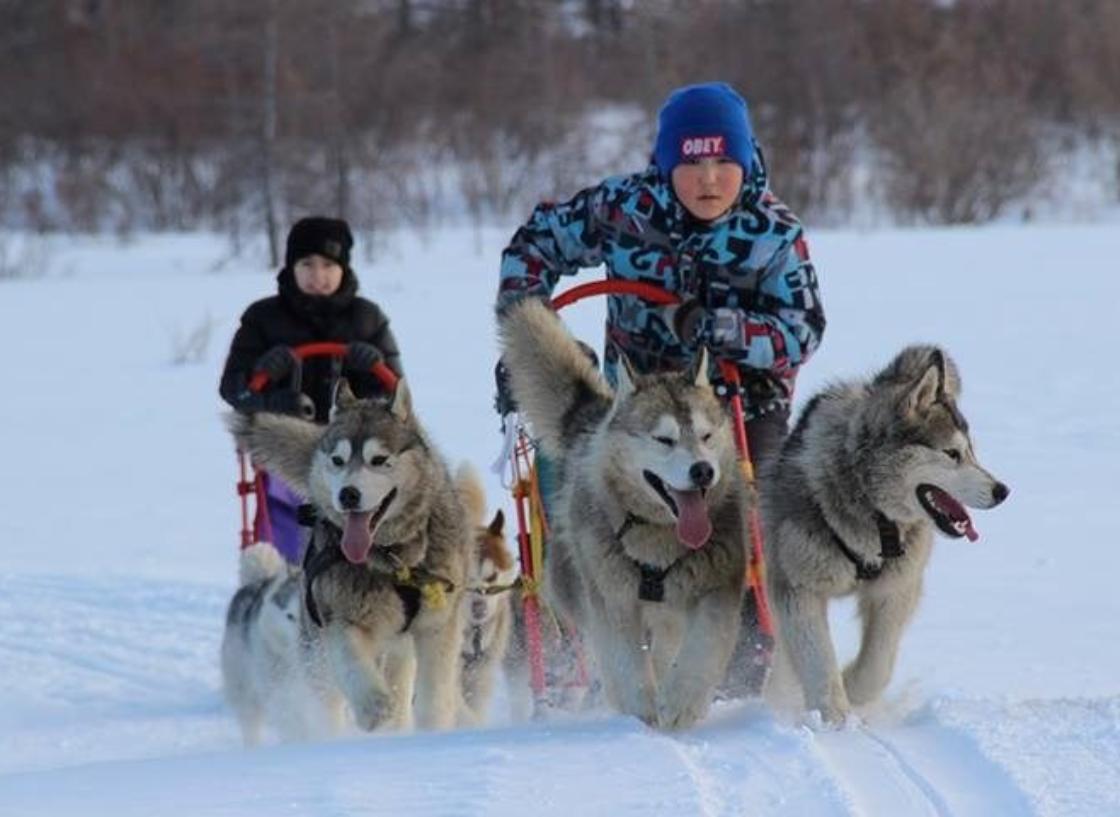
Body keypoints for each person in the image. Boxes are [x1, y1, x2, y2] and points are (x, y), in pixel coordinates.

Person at [494, 81, 825, 695]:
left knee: (752, 518)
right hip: (636, 408)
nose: (708, 178)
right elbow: (535, 245)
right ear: (666, 163)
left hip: (738, 408)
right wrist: (532, 336)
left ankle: (749, 650)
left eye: (724, 161)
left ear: (746, 162)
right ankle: (589, 638)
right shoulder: (624, 207)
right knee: (576, 493)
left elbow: (802, 330)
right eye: (692, 162)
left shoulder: (774, 232)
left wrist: (723, 329)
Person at [220, 216, 404, 562]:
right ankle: (289, 568)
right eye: (307, 264)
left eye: (328, 265)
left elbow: (397, 398)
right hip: (284, 446)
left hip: (353, 448)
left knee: (353, 492)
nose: (317, 275)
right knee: (290, 495)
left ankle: (353, 563)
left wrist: (372, 368)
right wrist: (267, 388)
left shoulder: (367, 318)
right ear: (291, 266)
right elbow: (232, 387)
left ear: (343, 268)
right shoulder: (262, 318)